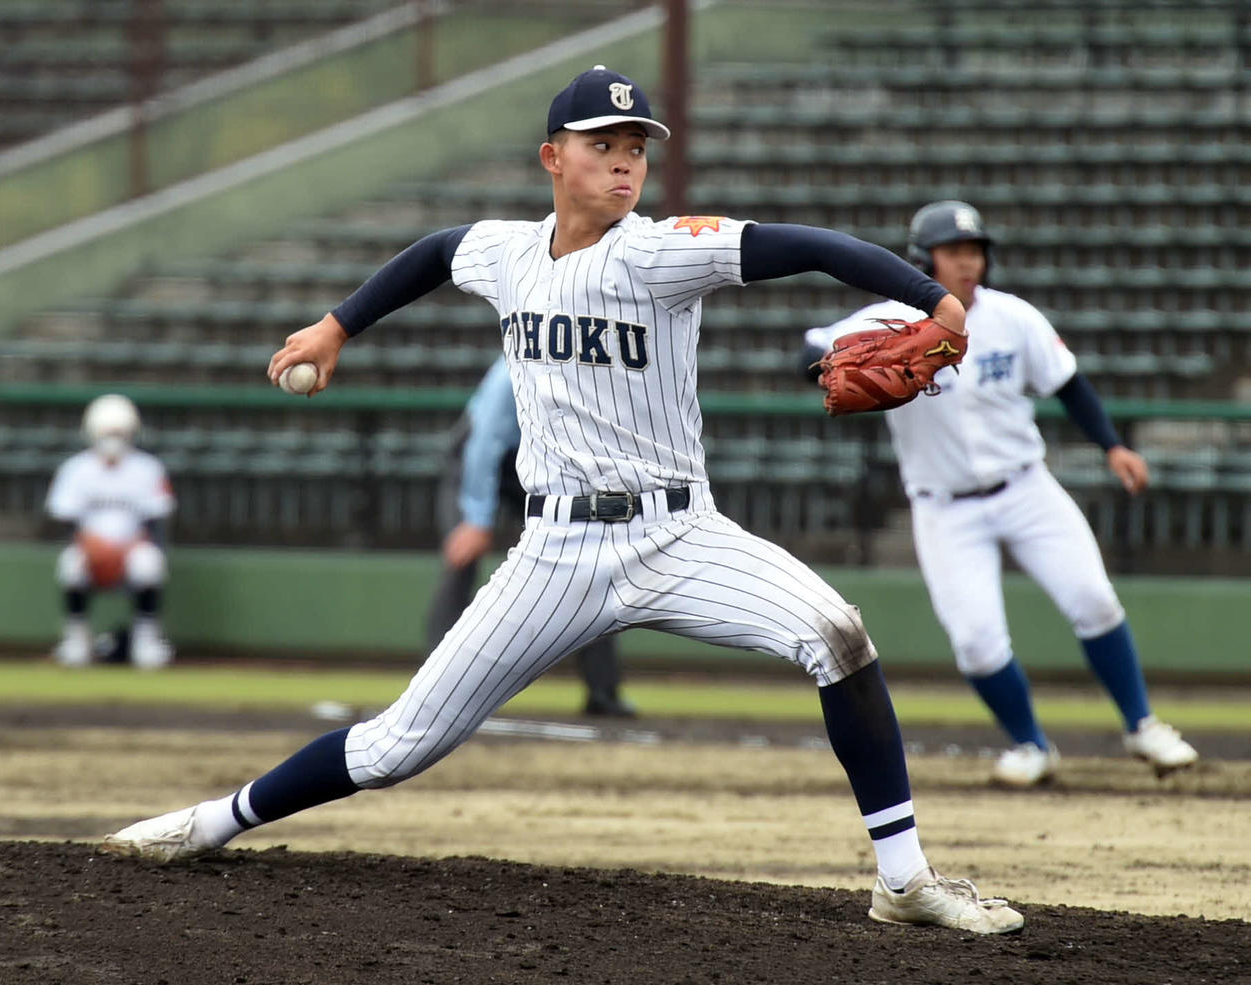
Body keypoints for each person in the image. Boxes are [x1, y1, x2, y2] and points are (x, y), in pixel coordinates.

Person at [102, 67, 1022, 934]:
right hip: (554, 554)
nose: (625, 159)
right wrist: (339, 324)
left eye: (636, 144)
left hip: (680, 532)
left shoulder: (663, 253)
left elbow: (815, 246)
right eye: (601, 142)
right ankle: (214, 821)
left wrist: (931, 299)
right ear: (553, 158)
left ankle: (904, 882)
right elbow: (431, 254)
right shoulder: (505, 253)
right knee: (395, 748)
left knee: (836, 636)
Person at [801, 200, 1199, 788]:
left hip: (1026, 488)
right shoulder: (886, 320)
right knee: (977, 645)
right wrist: (830, 362)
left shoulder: (1014, 318)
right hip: (944, 507)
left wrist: (1112, 445)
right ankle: (1031, 746)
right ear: (922, 259)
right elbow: (808, 352)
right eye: (954, 251)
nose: (968, 262)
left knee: (1093, 599)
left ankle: (1143, 725)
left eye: (975, 250)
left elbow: (1070, 386)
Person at [428, 356, 635, 717]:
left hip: (538, 462)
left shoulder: (589, 369)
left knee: (586, 559)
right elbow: (485, 440)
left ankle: (604, 692)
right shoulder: (518, 365)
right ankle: (433, 694)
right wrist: (477, 518)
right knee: (462, 559)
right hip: (478, 461)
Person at [44, 393, 176, 670]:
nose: (113, 438)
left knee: (149, 562)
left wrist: (124, 548)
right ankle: (76, 641)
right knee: (71, 563)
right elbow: (66, 520)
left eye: (119, 431)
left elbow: (154, 523)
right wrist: (92, 547)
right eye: (107, 431)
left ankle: (146, 641)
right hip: (89, 549)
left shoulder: (148, 468)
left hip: (131, 549)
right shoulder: (75, 468)